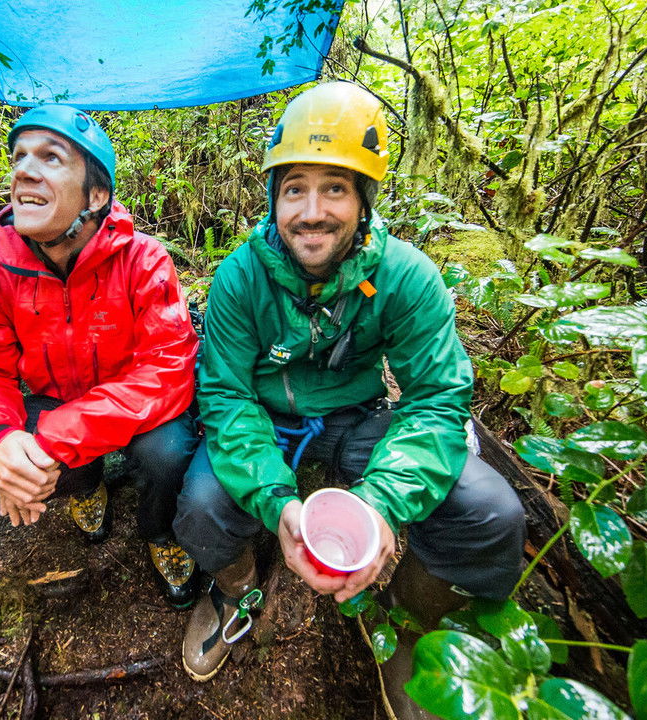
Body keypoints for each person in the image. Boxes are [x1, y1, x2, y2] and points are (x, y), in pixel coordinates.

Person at [173, 82, 526, 718]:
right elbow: (225, 396)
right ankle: (235, 591)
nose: (312, 211)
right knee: (200, 504)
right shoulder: (239, 278)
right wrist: (277, 501)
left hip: (355, 421)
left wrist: (384, 504)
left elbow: (437, 399)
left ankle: (408, 623)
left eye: (335, 187)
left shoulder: (404, 275)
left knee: (491, 513)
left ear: (364, 201)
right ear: (273, 198)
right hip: (264, 421)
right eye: (294, 188)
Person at [0, 105, 201, 609]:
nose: (23, 169)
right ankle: (87, 485)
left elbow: (167, 370)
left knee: (171, 452)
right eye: (19, 156)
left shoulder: (143, 260)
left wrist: (53, 441)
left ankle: (159, 530)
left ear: (96, 195)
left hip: (133, 405)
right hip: (53, 398)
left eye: (50, 157)